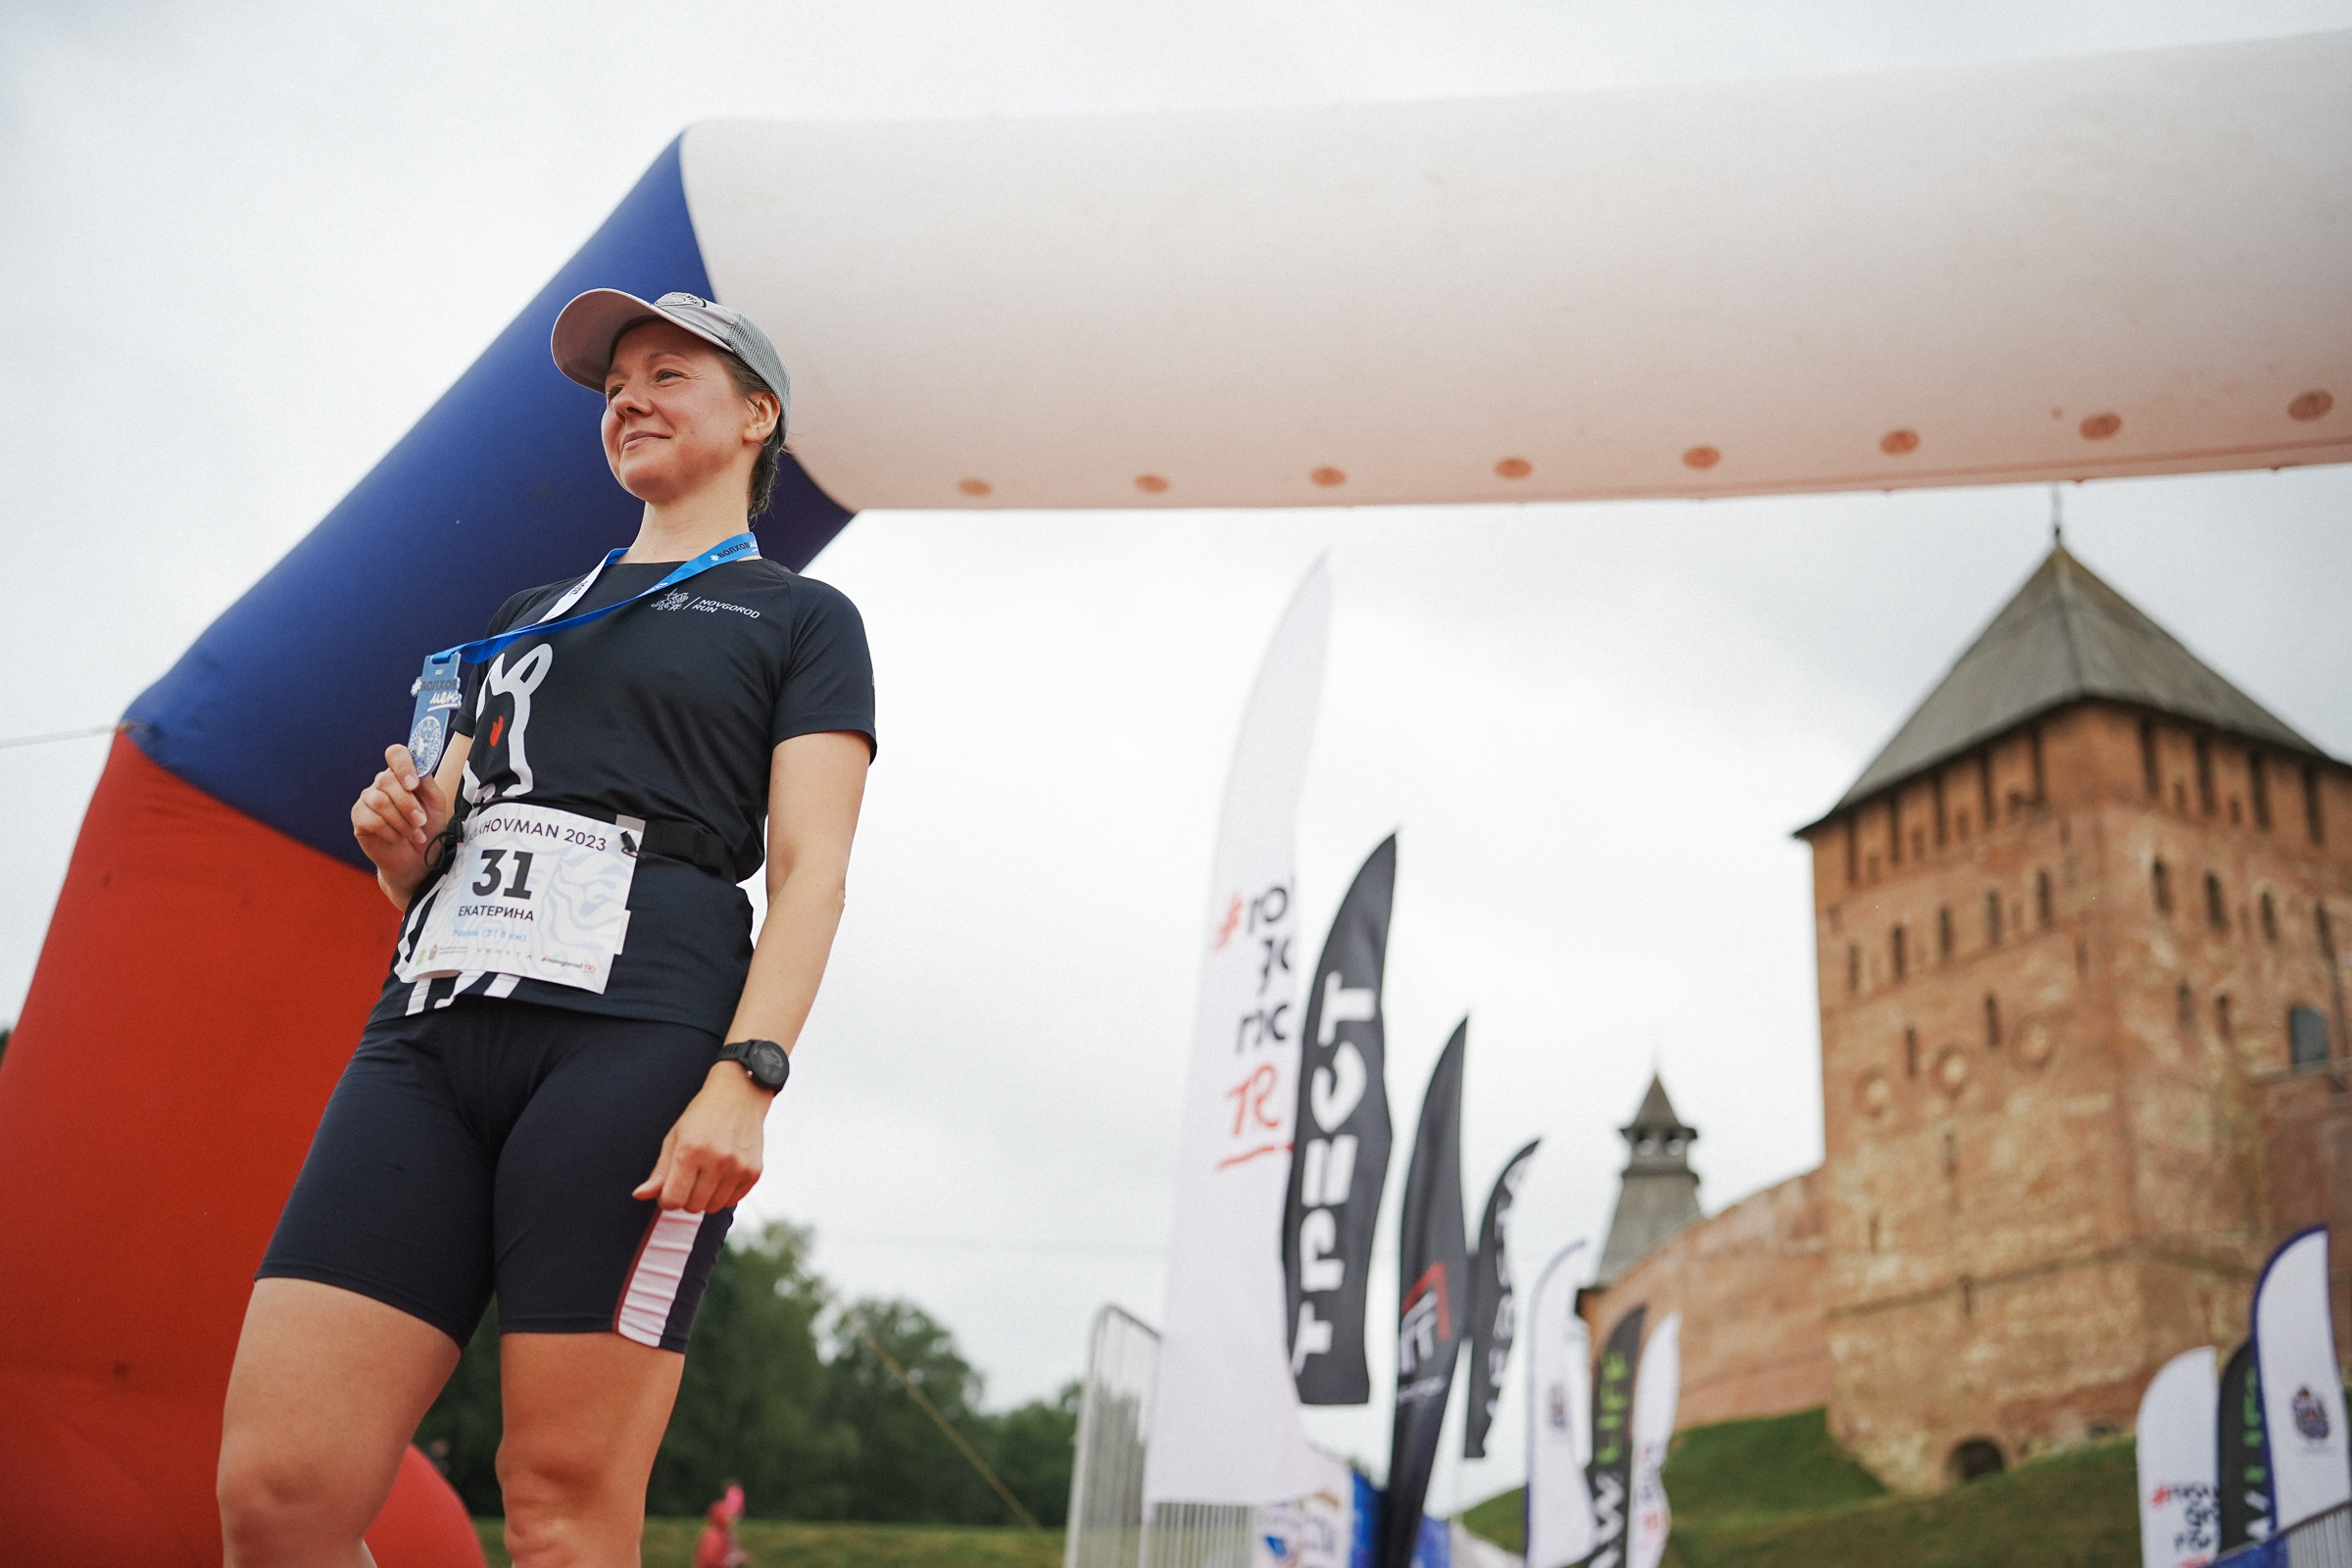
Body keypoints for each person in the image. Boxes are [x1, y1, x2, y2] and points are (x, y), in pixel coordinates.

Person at [216, 290, 874, 1568]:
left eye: (667, 371)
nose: (628, 396)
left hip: (638, 1048)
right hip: (430, 1037)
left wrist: (749, 1077)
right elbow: (432, 865)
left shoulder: (799, 619)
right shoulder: (528, 617)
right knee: (276, 1493)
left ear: (756, 414)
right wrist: (399, 851)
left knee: (563, 1513)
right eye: (616, 381)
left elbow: (812, 870)